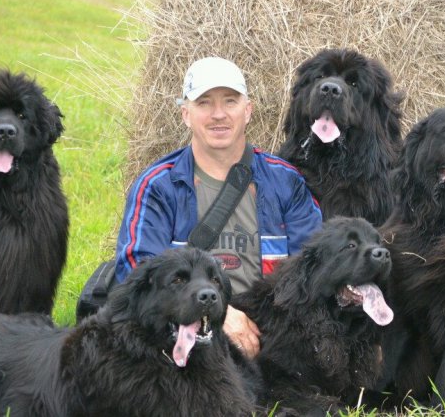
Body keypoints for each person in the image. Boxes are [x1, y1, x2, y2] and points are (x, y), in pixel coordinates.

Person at [114, 57, 322, 358]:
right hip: (186, 334)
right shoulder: (159, 186)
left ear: (247, 111)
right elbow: (137, 271)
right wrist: (218, 318)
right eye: (204, 103)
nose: (219, 114)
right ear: (186, 114)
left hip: (268, 336)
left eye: (230, 101)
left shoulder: (285, 182)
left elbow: (315, 266)